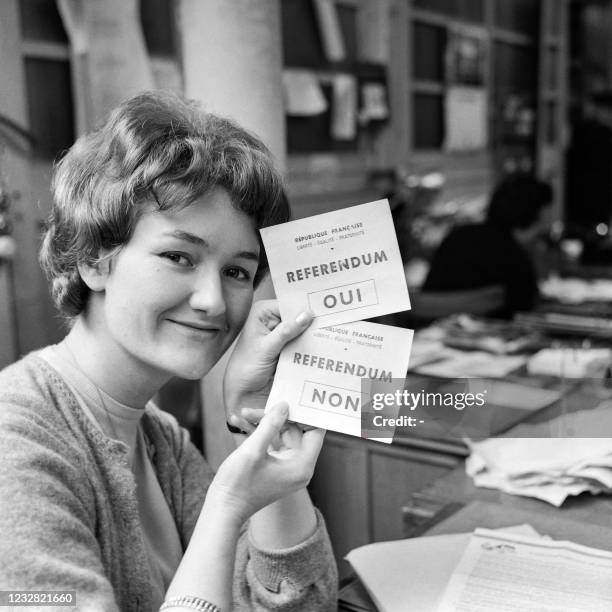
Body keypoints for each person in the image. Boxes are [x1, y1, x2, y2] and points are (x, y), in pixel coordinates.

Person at [0, 91, 337, 611]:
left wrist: (264, 418)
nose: (212, 301)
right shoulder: (15, 439)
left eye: (236, 272)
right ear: (93, 259)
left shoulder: (164, 443)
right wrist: (226, 508)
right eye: (178, 256)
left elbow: (305, 606)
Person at [422, 174, 554, 318]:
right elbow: (527, 310)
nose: (544, 227)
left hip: (430, 333)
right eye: (542, 218)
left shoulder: (458, 236)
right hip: (491, 336)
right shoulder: (513, 256)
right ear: (530, 217)